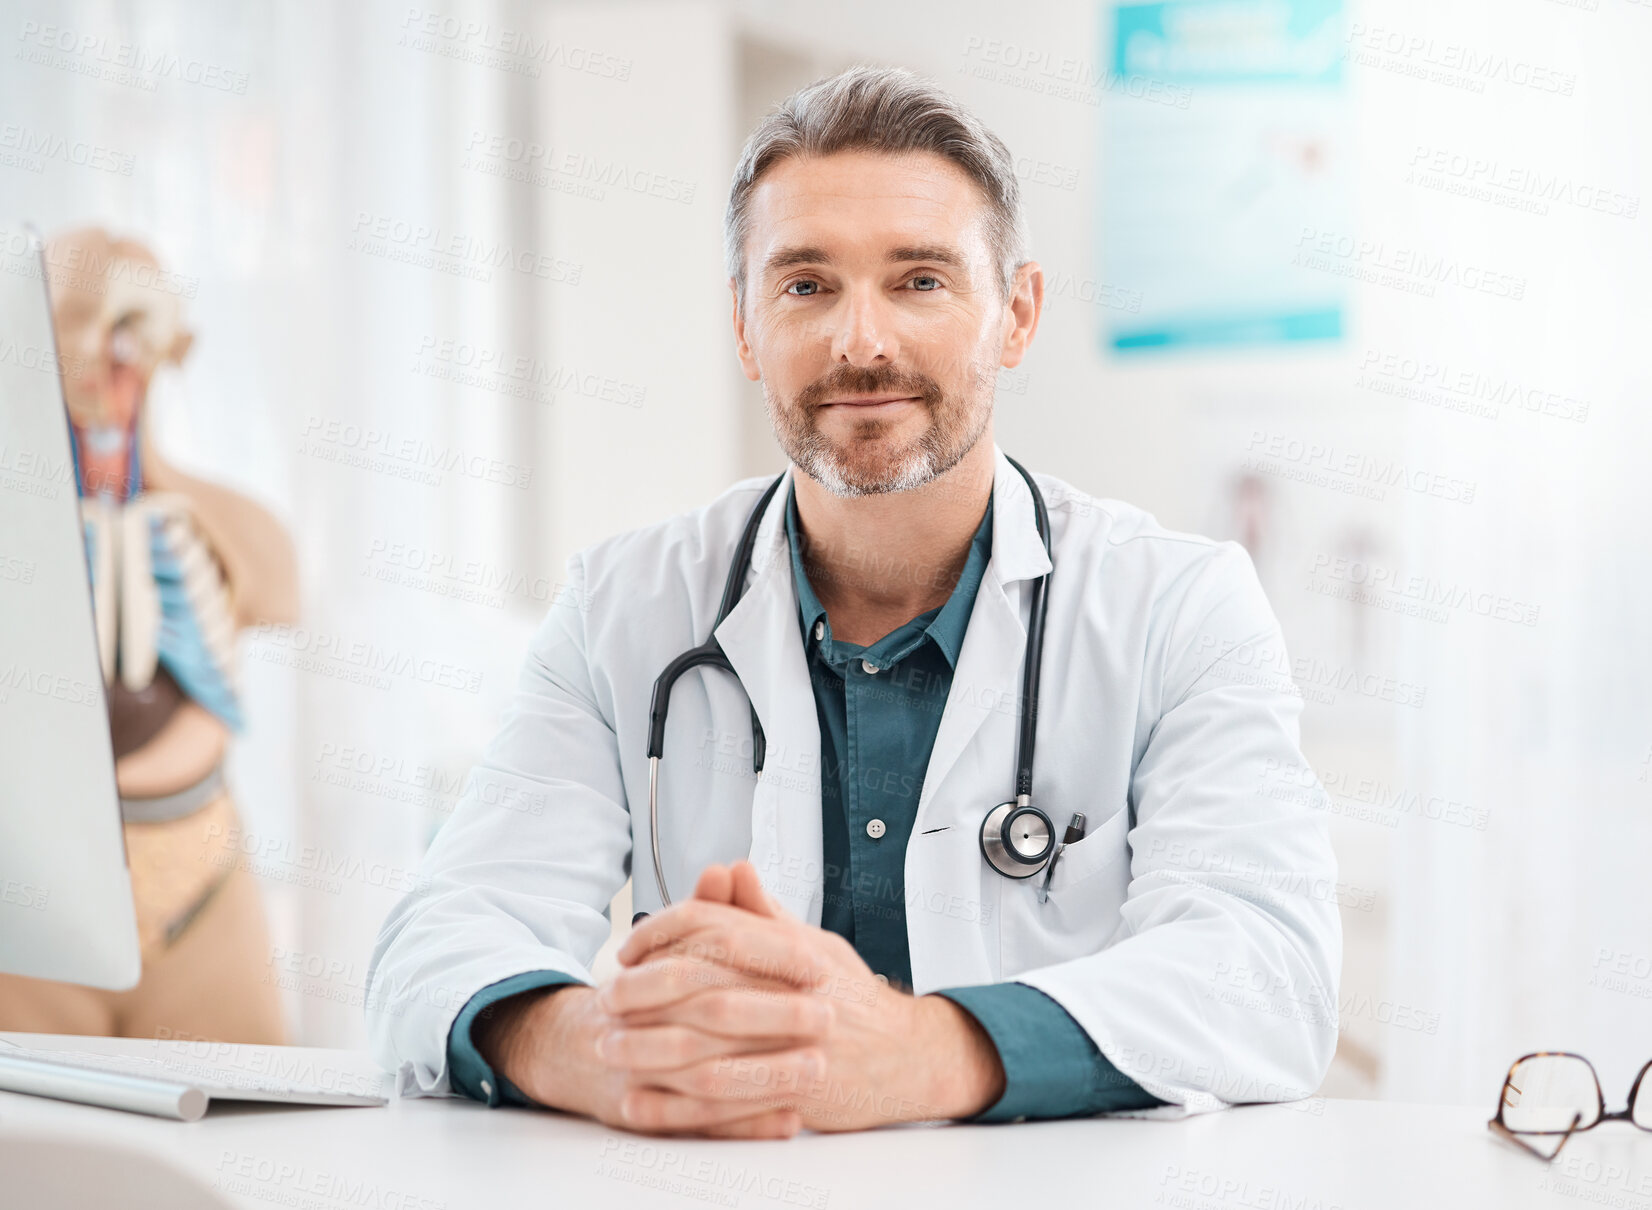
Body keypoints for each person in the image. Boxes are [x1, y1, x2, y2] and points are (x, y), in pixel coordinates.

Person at [366, 65, 1341, 1137]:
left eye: (919, 281)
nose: (860, 342)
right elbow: (438, 937)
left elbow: (1266, 970)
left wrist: (922, 1053)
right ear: (743, 326)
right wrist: (602, 1049)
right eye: (804, 285)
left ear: (1013, 315)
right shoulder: (623, 607)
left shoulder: (1178, 607)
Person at [0, 229, 294, 1043]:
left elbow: (278, 585)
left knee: (249, 1141)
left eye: (133, 335)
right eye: (84, 335)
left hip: (204, 884)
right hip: (31, 907)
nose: (109, 368)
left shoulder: (231, 531)